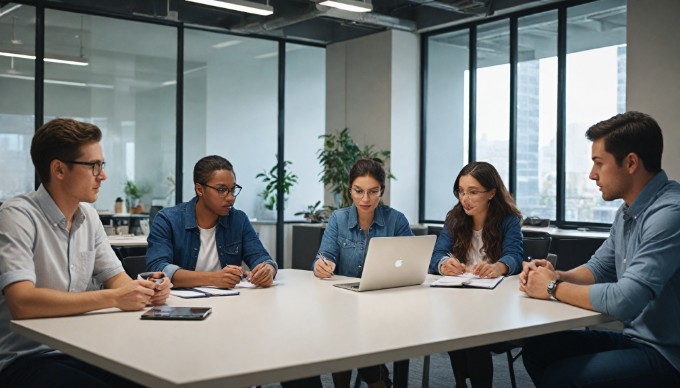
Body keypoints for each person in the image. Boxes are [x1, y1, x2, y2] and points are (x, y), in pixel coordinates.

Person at [0, 118, 171, 386]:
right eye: (93, 166)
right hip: (25, 358)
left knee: (156, 377)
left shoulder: (88, 218)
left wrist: (145, 291)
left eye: (102, 165)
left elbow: (117, 278)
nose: (102, 175)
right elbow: (22, 303)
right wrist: (114, 297)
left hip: (82, 348)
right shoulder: (17, 216)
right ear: (58, 169)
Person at [519, 111, 680, 387]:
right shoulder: (627, 211)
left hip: (667, 354)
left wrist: (551, 289)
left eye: (599, 163)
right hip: (636, 338)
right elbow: (599, 268)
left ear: (630, 163)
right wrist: (557, 275)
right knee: (538, 348)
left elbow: (625, 301)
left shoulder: (669, 213)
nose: (592, 175)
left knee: (562, 379)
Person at [314, 158, 413, 388]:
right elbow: (322, 256)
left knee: (353, 332)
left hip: (384, 305)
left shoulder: (396, 220)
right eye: (358, 191)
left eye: (373, 192)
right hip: (344, 305)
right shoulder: (338, 220)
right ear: (350, 190)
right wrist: (321, 265)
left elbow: (411, 263)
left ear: (382, 191)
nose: (365, 199)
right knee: (346, 328)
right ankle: (376, 380)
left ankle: (377, 379)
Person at [429, 161, 523, 388]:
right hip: (460, 296)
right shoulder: (454, 218)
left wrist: (497, 267)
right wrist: (444, 264)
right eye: (461, 192)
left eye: (473, 192)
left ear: (491, 193)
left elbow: (515, 256)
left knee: (471, 329)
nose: (465, 199)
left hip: (496, 302)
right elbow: (436, 255)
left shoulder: (508, 220)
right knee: (458, 322)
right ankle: (461, 381)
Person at [146, 155, 277, 288]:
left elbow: (261, 257)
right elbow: (159, 269)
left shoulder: (238, 219)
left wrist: (267, 270)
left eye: (232, 190)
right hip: (180, 304)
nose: (231, 197)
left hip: (230, 301)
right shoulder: (167, 219)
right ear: (199, 189)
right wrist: (213, 278)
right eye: (221, 190)